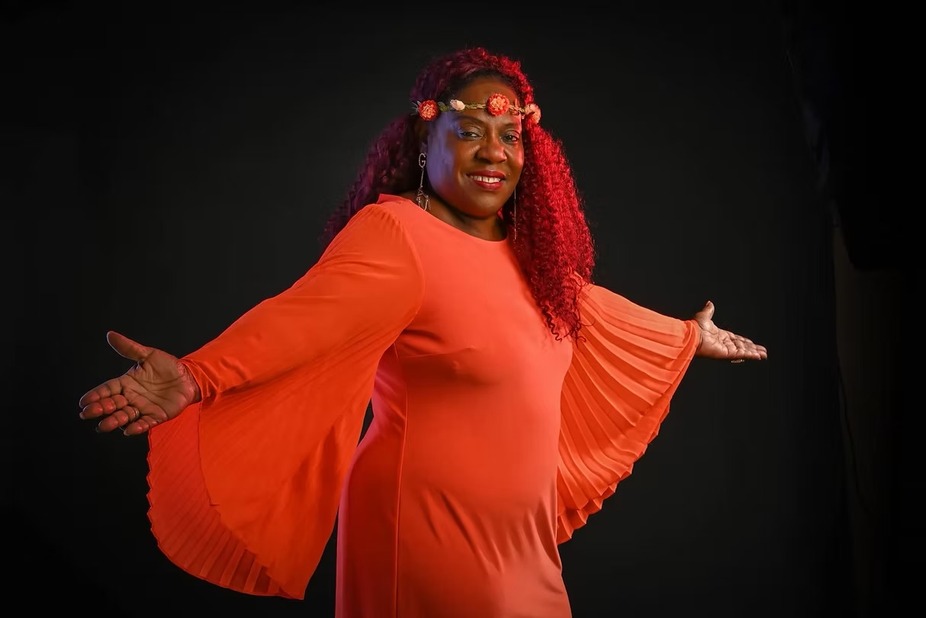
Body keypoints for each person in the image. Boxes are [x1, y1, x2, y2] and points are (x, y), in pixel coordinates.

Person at [78, 46, 767, 617]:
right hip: (423, 525)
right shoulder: (396, 233)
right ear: (424, 138)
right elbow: (300, 318)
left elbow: (594, 313)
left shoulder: (533, 261)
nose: (493, 152)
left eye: (510, 136)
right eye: (469, 132)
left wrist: (685, 336)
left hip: (520, 541)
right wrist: (197, 376)